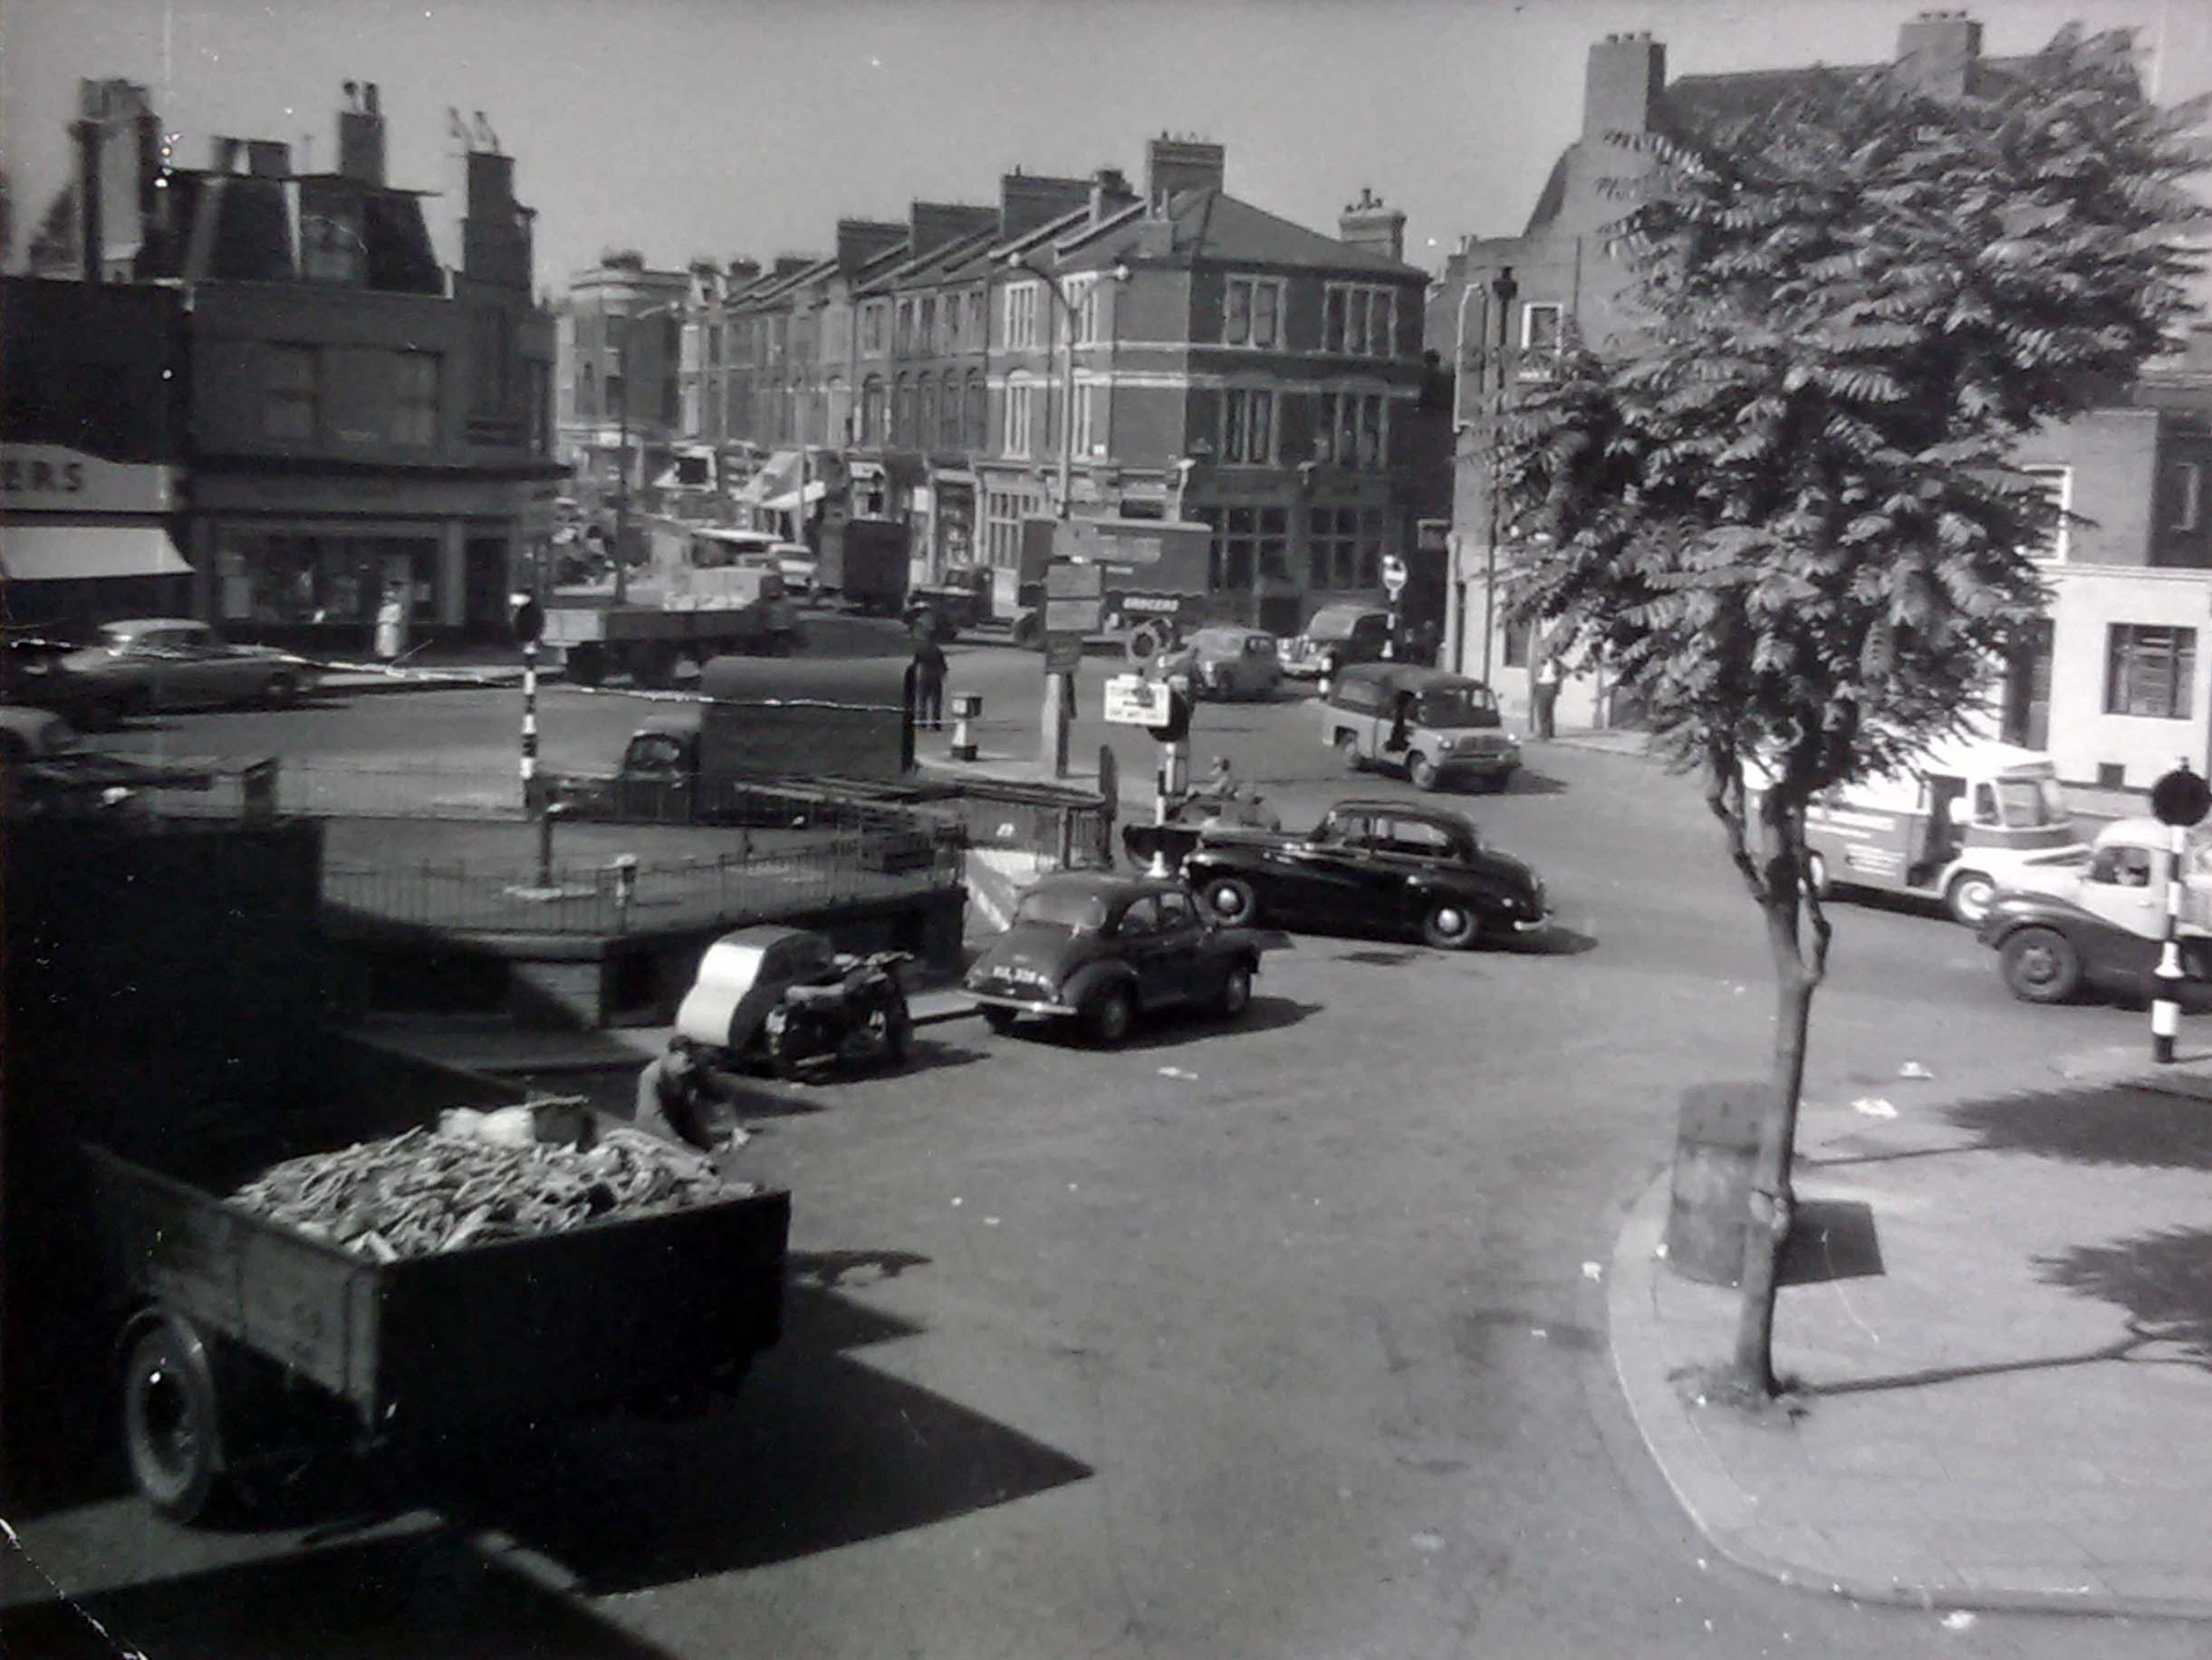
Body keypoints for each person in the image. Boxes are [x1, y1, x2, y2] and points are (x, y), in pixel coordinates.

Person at [634, 1037, 719, 1153]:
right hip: (653, 1131)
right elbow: (653, 1116)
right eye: (688, 1060)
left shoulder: (690, 1070)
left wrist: (734, 1128)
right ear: (670, 1056)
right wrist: (678, 1143)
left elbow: (714, 1094)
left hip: (681, 1123)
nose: (691, 1066)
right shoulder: (651, 1076)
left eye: (693, 1060)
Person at [911, 633, 947, 732]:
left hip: (923, 676)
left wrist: (914, 676)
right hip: (935, 677)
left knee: (921, 700)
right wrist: (943, 675)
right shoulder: (937, 650)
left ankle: (921, 722)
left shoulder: (920, 650)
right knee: (936, 701)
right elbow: (943, 665)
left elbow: (915, 664)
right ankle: (935, 723)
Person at [1533, 655, 1562, 741]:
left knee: (1545, 710)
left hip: (1549, 686)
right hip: (1541, 686)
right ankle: (1547, 732)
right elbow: (1538, 675)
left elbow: (1558, 675)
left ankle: (1546, 733)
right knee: (1544, 710)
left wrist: (1557, 688)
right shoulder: (1542, 663)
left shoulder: (1555, 663)